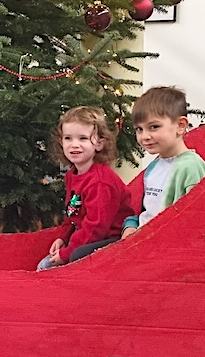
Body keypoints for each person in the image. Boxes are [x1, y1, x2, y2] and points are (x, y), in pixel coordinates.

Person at [37, 106, 133, 270]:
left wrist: (67, 253)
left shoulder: (100, 182)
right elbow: (72, 213)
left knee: (60, 262)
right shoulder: (72, 175)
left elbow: (96, 227)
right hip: (87, 236)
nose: (74, 145)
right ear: (61, 142)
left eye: (82, 138)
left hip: (111, 239)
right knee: (45, 264)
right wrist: (62, 238)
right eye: (68, 138)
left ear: (99, 144)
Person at [121, 86, 205, 238]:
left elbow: (196, 220)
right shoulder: (155, 165)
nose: (144, 136)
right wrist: (130, 226)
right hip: (140, 240)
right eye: (139, 129)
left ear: (181, 125)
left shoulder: (191, 167)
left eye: (154, 127)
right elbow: (145, 210)